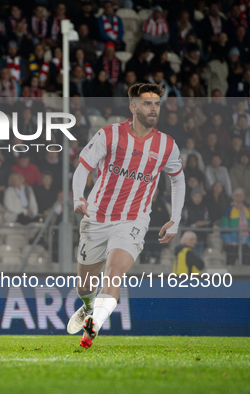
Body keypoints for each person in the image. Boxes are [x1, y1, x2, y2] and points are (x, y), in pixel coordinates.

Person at [69, 83, 185, 349]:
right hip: (96, 217)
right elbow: (82, 168)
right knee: (85, 286)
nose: (153, 109)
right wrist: (79, 197)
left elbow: (178, 180)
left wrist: (175, 218)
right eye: (147, 103)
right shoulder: (109, 135)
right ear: (133, 107)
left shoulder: (167, 145)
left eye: (157, 104)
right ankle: (88, 308)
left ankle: (94, 324)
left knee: (114, 271)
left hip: (133, 220)